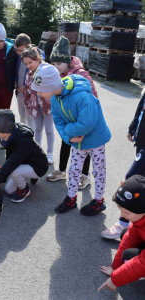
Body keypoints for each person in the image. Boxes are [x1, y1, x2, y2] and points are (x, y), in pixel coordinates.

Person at [32, 63, 111, 215]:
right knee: (74, 170)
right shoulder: (55, 99)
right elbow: (59, 122)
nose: (39, 94)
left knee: (99, 171)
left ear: (50, 86)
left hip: (96, 140)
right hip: (77, 141)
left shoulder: (82, 96)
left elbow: (87, 124)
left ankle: (99, 201)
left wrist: (68, 133)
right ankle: (71, 198)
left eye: (40, 91)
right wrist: (69, 138)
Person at [47, 36, 98, 189]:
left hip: (84, 119)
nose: (56, 67)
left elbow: (92, 95)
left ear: (68, 61)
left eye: (59, 63)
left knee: (85, 146)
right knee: (66, 143)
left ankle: (85, 176)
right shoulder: (59, 74)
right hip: (69, 118)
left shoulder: (80, 73)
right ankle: (62, 171)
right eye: (53, 63)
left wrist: (86, 119)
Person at [102, 89, 145, 239]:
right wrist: (133, 127)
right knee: (138, 180)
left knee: (133, 179)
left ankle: (123, 223)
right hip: (142, 140)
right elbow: (141, 109)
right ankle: (133, 225)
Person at [0, 109, 48, 202]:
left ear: (9, 131)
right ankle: (29, 175)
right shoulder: (12, 135)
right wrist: (0, 180)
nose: (3, 140)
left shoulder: (23, 141)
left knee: (14, 171)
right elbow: (9, 159)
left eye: (4, 137)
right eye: (0, 137)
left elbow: (11, 163)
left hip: (39, 166)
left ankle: (24, 190)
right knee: (9, 191)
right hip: (24, 163)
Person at [98, 175, 145, 292]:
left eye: (126, 212)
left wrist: (116, 278)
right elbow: (130, 238)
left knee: (128, 256)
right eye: (121, 211)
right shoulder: (139, 218)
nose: (122, 216)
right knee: (126, 233)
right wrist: (116, 268)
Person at [22, 46, 55, 164]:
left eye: (30, 62)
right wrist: (27, 103)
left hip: (48, 107)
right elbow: (27, 90)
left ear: (37, 59)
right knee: (38, 129)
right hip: (35, 106)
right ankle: (38, 152)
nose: (28, 66)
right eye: (26, 64)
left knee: (49, 129)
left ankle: (50, 153)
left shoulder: (47, 70)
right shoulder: (29, 74)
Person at [14, 33, 35, 131]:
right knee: (22, 114)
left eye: (21, 50)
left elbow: (36, 78)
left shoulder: (34, 60)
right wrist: (15, 81)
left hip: (30, 94)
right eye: (17, 50)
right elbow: (17, 72)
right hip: (19, 93)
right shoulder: (19, 58)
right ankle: (23, 133)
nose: (19, 52)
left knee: (30, 116)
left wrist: (26, 87)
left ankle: (32, 136)